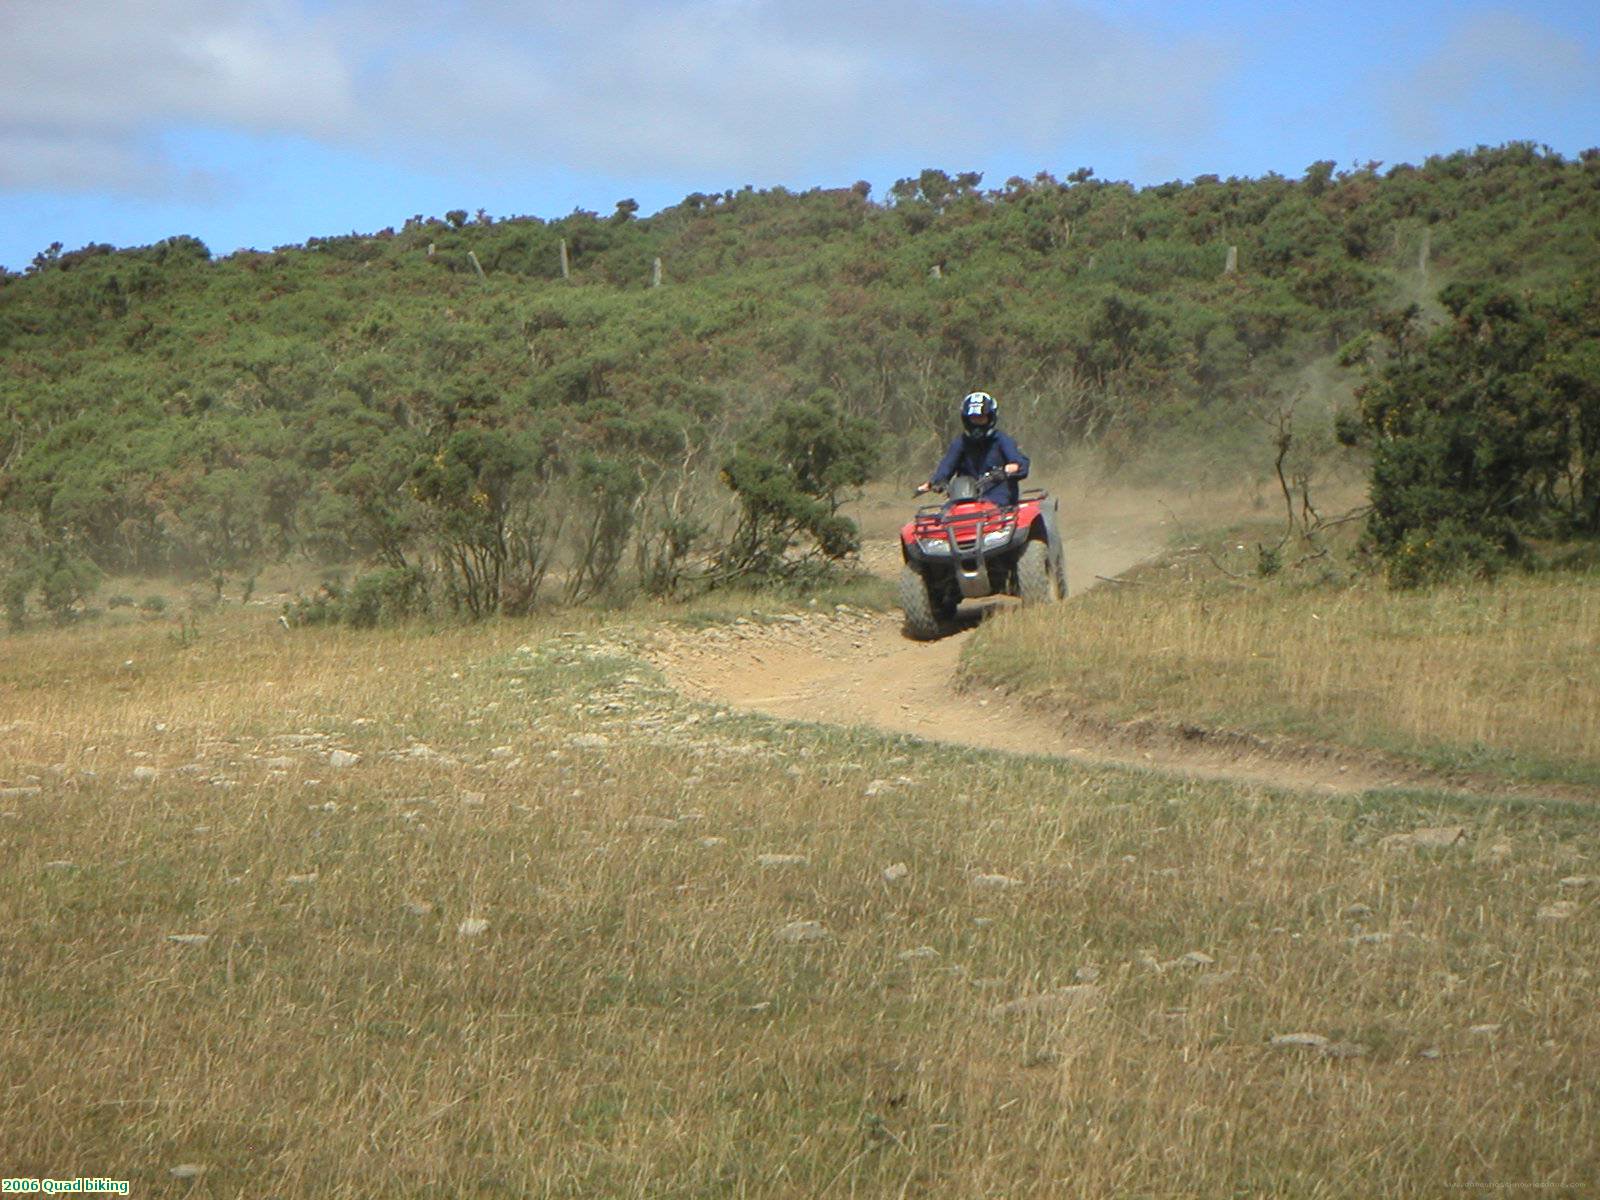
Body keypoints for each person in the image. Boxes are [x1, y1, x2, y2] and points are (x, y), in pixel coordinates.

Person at [917, 391, 1029, 505]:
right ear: (966, 420)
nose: (977, 423)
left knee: (993, 508)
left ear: (990, 418)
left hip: (998, 496)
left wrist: (1012, 467)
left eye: (981, 418)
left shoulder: (1002, 440)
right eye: (973, 418)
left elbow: (1020, 463)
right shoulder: (960, 443)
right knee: (946, 514)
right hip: (964, 496)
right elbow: (947, 466)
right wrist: (934, 483)